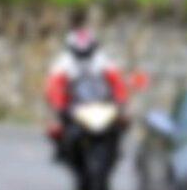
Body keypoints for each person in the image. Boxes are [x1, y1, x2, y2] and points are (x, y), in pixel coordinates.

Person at [43, 16, 125, 160]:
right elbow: (53, 85)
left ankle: (114, 149)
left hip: (99, 101)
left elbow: (117, 82)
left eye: (87, 51)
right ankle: (62, 149)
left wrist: (120, 101)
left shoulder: (101, 60)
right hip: (74, 103)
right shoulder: (65, 62)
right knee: (56, 127)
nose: (83, 55)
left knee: (121, 122)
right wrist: (58, 104)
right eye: (79, 51)